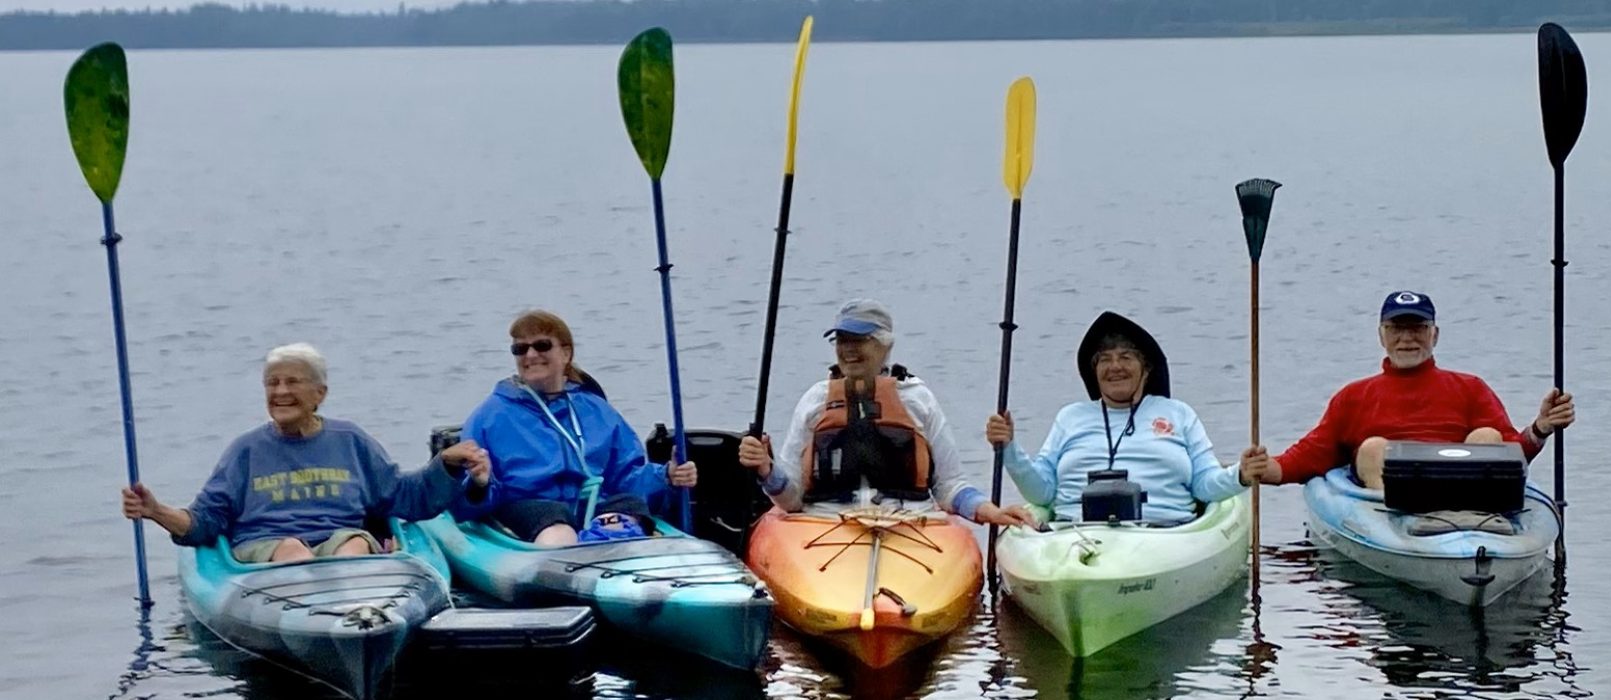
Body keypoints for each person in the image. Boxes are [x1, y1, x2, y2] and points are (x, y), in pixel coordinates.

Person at [120, 343, 490, 563]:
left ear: (320, 393)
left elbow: (405, 497)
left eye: (292, 382)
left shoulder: (350, 440)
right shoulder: (245, 451)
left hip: (336, 543)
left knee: (357, 543)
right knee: (293, 551)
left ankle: (355, 629)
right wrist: (156, 511)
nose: (280, 392)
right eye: (272, 383)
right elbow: (205, 521)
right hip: (268, 550)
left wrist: (445, 464)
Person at [737, 299, 1036, 527]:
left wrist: (991, 512)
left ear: (884, 345)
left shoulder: (918, 398)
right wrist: (766, 470)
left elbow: (949, 486)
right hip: (826, 523)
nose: (848, 350)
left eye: (859, 340)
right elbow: (791, 499)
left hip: (908, 523)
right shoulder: (815, 401)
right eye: (842, 340)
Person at [1264, 290, 1578, 489]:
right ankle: (1398, 531)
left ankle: (1474, 528)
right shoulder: (1353, 397)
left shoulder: (1470, 388)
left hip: (1466, 504)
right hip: (1387, 510)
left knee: (1487, 437)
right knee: (1374, 448)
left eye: (1417, 328)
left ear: (1435, 334)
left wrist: (1541, 428)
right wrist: (1262, 469)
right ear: (1381, 335)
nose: (1407, 338)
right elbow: (1309, 456)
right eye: (1397, 329)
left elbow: (1513, 454)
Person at [984, 311, 1270, 524]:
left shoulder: (1178, 414)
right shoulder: (1071, 418)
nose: (1115, 367)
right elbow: (1042, 492)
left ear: (1145, 368)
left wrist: (1241, 475)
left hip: (1163, 535)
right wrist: (1008, 448)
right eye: (1105, 359)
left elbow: (1205, 484)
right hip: (1074, 537)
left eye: (1126, 357)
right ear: (1093, 371)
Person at [449, 310, 697, 546]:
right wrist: (478, 484)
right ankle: (563, 570)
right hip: (529, 510)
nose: (531, 355)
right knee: (556, 523)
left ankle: (614, 555)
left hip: (592, 505)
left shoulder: (596, 409)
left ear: (566, 353)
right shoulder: (489, 416)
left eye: (542, 345)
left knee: (628, 507)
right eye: (520, 349)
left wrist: (667, 476)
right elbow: (464, 499)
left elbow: (625, 476)